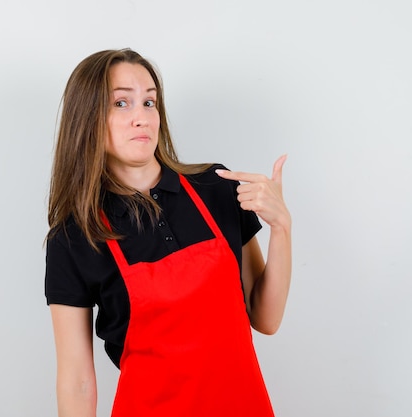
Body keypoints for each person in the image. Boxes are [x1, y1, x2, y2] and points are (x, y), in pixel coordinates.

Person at [44, 48, 292, 417]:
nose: (141, 117)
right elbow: (78, 381)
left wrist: (281, 227)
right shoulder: (74, 237)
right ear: (88, 118)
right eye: (122, 103)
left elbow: (265, 317)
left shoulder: (217, 188)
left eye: (149, 102)